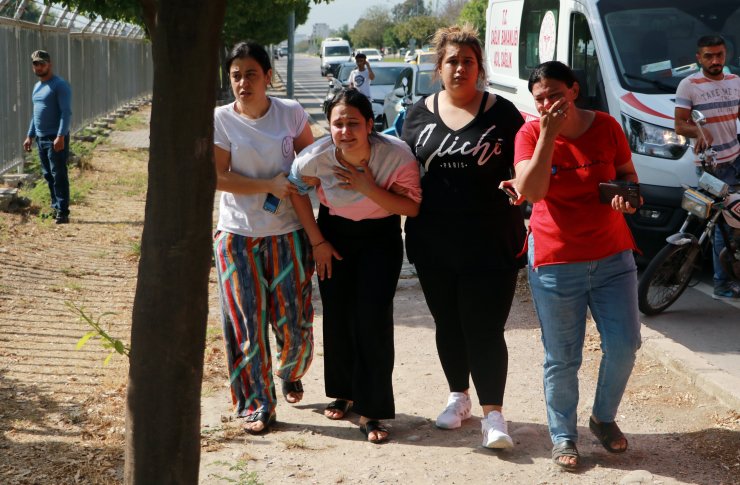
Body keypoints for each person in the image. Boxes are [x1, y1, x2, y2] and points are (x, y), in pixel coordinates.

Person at [400, 25, 526, 449]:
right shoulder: (417, 113)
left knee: (485, 327)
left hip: (491, 240)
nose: (459, 68)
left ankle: (495, 417)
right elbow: (403, 172)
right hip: (434, 240)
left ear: (480, 68)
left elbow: (525, 167)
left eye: (468, 61)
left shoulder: (504, 114)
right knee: (448, 323)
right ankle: (458, 398)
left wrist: (521, 188)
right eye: (452, 61)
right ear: (439, 67)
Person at [513, 60, 642, 470]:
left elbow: (628, 176)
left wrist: (628, 197)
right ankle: (563, 435)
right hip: (555, 261)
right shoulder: (530, 133)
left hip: (612, 256)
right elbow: (530, 191)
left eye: (554, 93)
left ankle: (602, 418)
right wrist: (547, 137)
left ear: (573, 90)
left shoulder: (606, 126)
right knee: (562, 357)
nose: (547, 103)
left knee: (624, 344)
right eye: (539, 99)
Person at [289, 88, 421, 443]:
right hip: (334, 235)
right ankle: (344, 391)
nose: (345, 131)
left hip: (381, 237)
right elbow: (294, 190)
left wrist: (366, 185)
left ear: (369, 124)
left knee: (372, 319)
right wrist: (318, 242)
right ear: (328, 127)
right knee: (338, 314)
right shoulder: (313, 158)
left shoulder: (396, 155)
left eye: (353, 123)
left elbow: (411, 208)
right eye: (337, 124)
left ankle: (372, 409)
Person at [212, 41, 315, 435]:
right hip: (237, 235)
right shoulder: (221, 119)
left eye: (251, 74)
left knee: (294, 320)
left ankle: (291, 370)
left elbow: (313, 159)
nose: (242, 82)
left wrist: (298, 182)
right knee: (245, 322)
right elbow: (218, 176)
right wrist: (266, 185)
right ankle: (257, 403)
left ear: (268, 77)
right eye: (235, 75)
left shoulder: (290, 113)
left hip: (286, 233)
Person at [675, 35, 740, 300]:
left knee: (730, 222)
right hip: (710, 165)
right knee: (723, 222)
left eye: (719, 55)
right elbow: (680, 125)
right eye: (709, 56)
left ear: (726, 56)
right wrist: (699, 132)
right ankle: (722, 283)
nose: (715, 61)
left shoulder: (736, 82)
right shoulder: (688, 85)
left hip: (735, 158)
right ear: (698, 58)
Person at [23, 50, 72, 224]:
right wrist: (30, 135)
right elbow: (36, 115)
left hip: (55, 138)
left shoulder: (60, 85)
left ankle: (63, 211)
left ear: (49, 64)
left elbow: (66, 113)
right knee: (48, 175)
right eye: (36, 64)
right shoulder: (37, 87)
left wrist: (61, 136)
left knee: (58, 174)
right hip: (41, 138)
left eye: (42, 63)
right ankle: (55, 206)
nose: (39, 67)